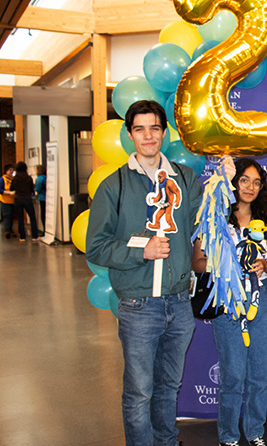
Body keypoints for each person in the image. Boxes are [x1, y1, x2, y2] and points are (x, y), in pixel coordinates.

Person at [86, 100, 203, 446]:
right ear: (129, 135)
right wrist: (142, 250)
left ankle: (166, 441)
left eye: (154, 128)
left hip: (180, 303)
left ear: (164, 133)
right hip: (138, 306)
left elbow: (205, 222)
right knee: (139, 392)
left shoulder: (184, 177)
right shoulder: (114, 186)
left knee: (169, 386)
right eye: (140, 129)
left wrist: (222, 185)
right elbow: (96, 246)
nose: (148, 135)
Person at [192, 158, 267, 446]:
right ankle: (228, 436)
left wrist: (265, 262)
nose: (250, 187)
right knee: (233, 373)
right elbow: (198, 263)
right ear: (233, 182)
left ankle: (255, 432)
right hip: (227, 300)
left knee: (260, 372)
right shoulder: (215, 218)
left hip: (260, 298)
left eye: (256, 181)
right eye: (244, 180)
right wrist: (224, 262)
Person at [10, 161, 38, 242]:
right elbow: (31, 189)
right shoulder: (28, 178)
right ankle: (34, 236)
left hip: (18, 199)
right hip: (27, 199)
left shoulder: (15, 178)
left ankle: (22, 236)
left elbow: (12, 188)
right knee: (32, 217)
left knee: (20, 218)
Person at [0, 164, 15, 239]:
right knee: (7, 215)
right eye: (10, 170)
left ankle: (10, 230)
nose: (11, 171)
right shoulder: (2, 179)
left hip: (13, 200)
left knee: (12, 215)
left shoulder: (14, 179)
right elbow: (1, 190)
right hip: (5, 200)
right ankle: (7, 230)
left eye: (12, 170)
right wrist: (9, 193)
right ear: (6, 171)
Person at [35, 165, 47, 235]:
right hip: (47, 197)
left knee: (43, 214)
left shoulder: (39, 178)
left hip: (42, 197)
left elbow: (38, 188)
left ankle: (44, 230)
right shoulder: (46, 177)